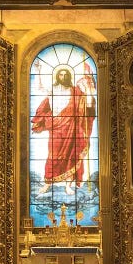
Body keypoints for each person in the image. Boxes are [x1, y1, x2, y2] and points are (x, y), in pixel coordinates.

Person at [32, 65, 96, 196]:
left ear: (69, 76)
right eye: (60, 75)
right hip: (56, 127)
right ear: (57, 76)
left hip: (70, 128)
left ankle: (68, 185)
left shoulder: (75, 91)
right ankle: (48, 183)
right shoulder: (52, 89)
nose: (63, 77)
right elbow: (39, 88)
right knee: (53, 155)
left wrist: (88, 84)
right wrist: (38, 71)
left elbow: (88, 104)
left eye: (65, 75)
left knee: (70, 156)